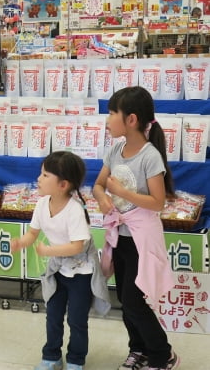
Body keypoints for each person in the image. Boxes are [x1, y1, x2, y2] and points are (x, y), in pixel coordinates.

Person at [92, 86, 179, 370]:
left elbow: (157, 202)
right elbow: (98, 185)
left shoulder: (149, 156)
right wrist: (104, 198)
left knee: (134, 300)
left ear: (131, 119)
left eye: (112, 113)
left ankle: (162, 354)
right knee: (124, 298)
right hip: (120, 237)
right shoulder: (116, 149)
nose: (107, 120)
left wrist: (123, 193)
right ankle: (138, 349)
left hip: (142, 238)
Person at [11, 151, 111, 370]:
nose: (39, 178)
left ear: (63, 184)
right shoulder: (41, 204)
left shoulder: (74, 210)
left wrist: (49, 251)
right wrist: (21, 242)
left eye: (45, 175)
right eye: (41, 173)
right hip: (58, 270)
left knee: (76, 320)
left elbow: (77, 246)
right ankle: (51, 356)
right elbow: (33, 233)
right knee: (53, 316)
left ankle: (76, 360)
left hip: (81, 274)